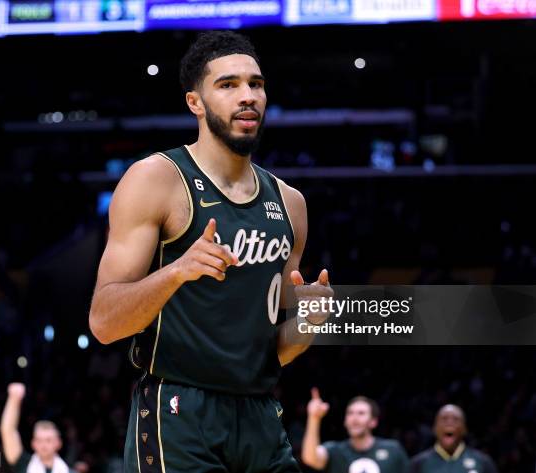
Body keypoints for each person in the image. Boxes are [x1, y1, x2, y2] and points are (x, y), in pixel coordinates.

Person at [88, 30, 332, 473]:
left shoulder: (290, 204)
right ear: (194, 103)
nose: (248, 96)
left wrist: (310, 324)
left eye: (255, 84)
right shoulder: (156, 179)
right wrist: (176, 271)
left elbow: (272, 351)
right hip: (179, 410)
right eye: (228, 84)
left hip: (259, 413)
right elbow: (104, 322)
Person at [302, 389, 409, 473]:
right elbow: (310, 458)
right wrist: (314, 418)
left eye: (361, 413)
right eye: (350, 413)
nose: (354, 418)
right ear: (345, 421)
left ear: (373, 422)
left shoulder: (393, 450)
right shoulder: (335, 451)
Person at [0, 382, 71, 473]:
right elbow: (8, 431)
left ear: (58, 443)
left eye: (48, 440)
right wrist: (13, 399)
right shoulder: (23, 465)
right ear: (33, 443)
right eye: (39, 440)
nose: (43, 445)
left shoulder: (70, 471)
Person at [410, 404, 498, 473]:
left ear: (464, 429)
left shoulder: (483, 463)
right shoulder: (418, 464)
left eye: (456, 419)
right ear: (434, 428)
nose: (449, 422)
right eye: (444, 419)